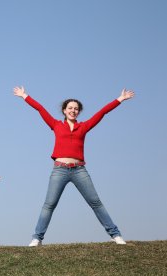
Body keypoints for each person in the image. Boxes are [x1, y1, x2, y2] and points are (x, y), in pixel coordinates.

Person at [12, 85, 134, 247]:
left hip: (79, 170)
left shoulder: (83, 127)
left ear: (79, 112)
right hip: (60, 170)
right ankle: (37, 238)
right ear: (64, 110)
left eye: (76, 109)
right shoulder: (56, 125)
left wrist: (120, 99)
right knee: (49, 205)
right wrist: (24, 96)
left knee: (95, 202)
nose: (73, 111)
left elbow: (102, 112)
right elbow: (40, 109)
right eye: (70, 108)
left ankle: (115, 235)